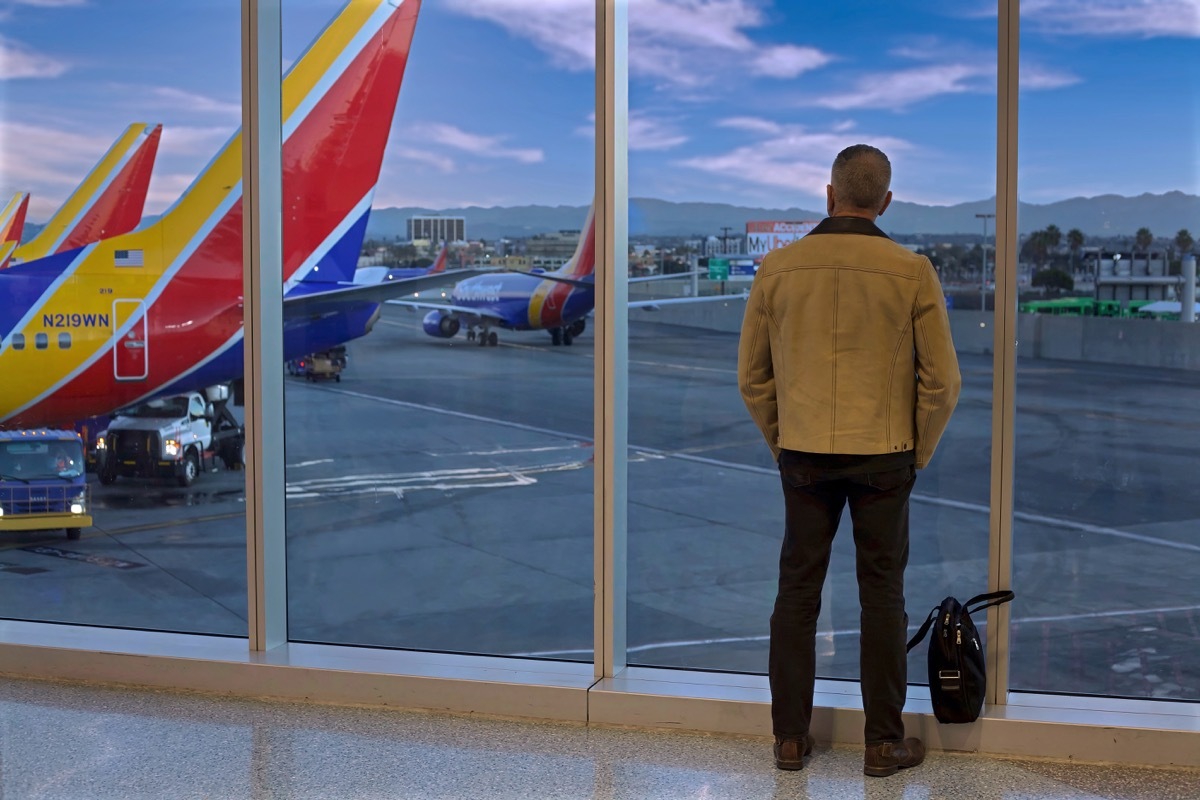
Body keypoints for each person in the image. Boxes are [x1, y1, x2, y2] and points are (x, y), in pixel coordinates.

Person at [737, 144, 961, 778]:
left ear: (828, 194)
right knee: (882, 599)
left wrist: (784, 441)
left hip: (804, 453)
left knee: (797, 594)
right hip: (885, 456)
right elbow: (943, 383)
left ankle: (788, 739)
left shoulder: (777, 269)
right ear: (885, 201)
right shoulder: (912, 270)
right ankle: (882, 744)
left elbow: (752, 378)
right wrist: (916, 451)